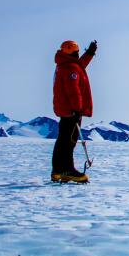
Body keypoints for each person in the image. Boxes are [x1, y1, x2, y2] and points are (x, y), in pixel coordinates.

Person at [51, 39, 98, 183]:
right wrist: (77, 109)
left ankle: (58, 170)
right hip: (71, 110)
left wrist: (89, 53)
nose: (78, 54)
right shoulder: (70, 68)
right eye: (77, 52)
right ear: (73, 52)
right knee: (69, 141)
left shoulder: (65, 64)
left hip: (65, 109)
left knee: (63, 139)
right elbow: (73, 90)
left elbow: (80, 64)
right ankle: (67, 170)